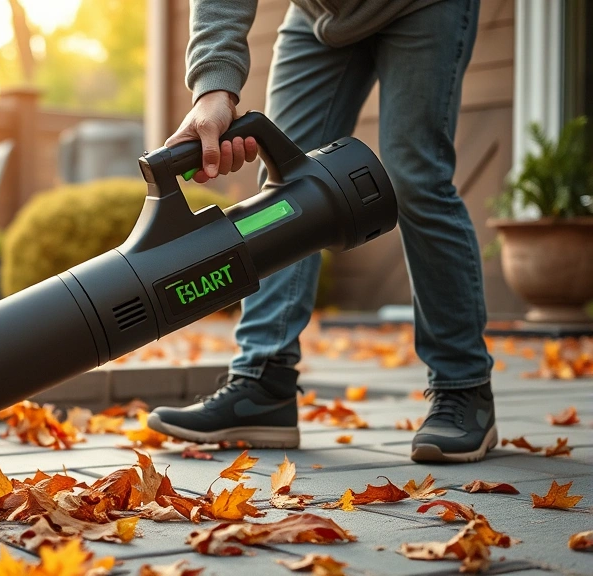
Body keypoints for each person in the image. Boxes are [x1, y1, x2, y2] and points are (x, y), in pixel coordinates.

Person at [146, 0, 497, 463]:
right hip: (318, 15)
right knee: (283, 186)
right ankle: (264, 383)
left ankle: (463, 386)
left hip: (422, 6)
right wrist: (214, 87)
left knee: (415, 178)